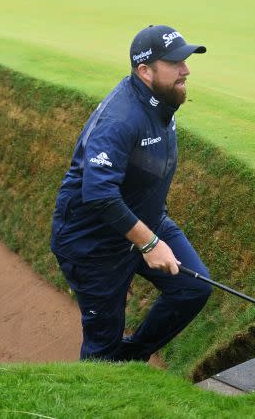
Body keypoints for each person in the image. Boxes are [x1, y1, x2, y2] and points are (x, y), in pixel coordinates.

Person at [50, 24, 213, 362]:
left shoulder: (161, 102)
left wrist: (151, 233)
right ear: (145, 71)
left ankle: (130, 358)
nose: (186, 70)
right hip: (93, 243)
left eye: (185, 61)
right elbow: (99, 193)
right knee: (102, 346)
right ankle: (101, 380)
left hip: (143, 221)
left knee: (192, 288)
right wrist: (149, 244)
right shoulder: (120, 119)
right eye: (175, 63)